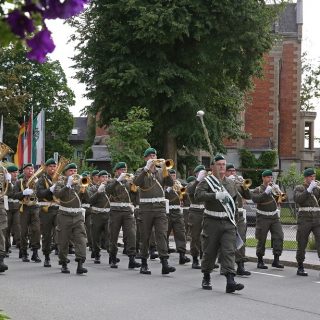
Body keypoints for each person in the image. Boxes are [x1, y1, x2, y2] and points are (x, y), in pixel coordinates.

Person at [195, 155, 244, 293]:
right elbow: (197, 196)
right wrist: (214, 195)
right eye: (219, 164)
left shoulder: (230, 183)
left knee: (229, 251)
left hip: (228, 222)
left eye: (223, 164)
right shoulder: (207, 182)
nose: (222, 166)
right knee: (209, 251)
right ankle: (206, 276)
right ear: (212, 167)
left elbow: (234, 204)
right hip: (212, 221)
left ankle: (230, 281)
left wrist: (235, 223)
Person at [133, 147, 176, 275]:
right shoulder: (141, 171)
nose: (153, 158)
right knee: (145, 236)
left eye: (154, 155)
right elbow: (136, 182)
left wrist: (165, 170)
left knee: (162, 234)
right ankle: (144, 264)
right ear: (145, 158)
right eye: (150, 156)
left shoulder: (160, 172)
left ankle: (165, 263)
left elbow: (170, 183)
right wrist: (146, 169)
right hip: (146, 209)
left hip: (160, 208)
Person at [52, 163, 89, 274]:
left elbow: (88, 199)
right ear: (66, 173)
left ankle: (80, 264)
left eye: (75, 170)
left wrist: (84, 188)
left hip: (77, 215)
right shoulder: (60, 183)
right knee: (63, 240)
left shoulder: (80, 183)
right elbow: (57, 194)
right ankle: (63, 262)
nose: (74, 173)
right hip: (64, 215)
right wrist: (67, 186)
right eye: (71, 171)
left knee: (81, 239)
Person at [105, 162, 140, 269]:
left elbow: (135, 195)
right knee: (113, 235)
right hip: (115, 211)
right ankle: (112, 257)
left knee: (131, 234)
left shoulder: (129, 182)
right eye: (121, 170)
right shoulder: (111, 181)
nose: (123, 172)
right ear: (116, 171)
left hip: (128, 211)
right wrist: (118, 180)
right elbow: (108, 190)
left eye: (125, 169)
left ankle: (132, 258)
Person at [251, 170, 284, 269]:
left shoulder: (274, 189)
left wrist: (279, 193)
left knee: (279, 236)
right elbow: (255, 199)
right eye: (268, 177)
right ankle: (260, 260)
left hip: (274, 217)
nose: (270, 179)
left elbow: (283, 200)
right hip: (263, 217)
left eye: (271, 177)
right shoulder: (258, 189)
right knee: (261, 238)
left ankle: (276, 260)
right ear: (263, 178)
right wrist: (266, 192)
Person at [293, 168, 320, 276]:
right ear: (305, 178)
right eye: (311, 177)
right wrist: (309, 189)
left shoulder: (317, 188)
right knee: (302, 242)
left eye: (314, 176)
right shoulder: (299, 188)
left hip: (317, 218)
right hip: (304, 219)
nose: (313, 178)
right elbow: (298, 199)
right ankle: (300, 266)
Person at [225, 163, 251, 276]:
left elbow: (248, 196)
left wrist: (244, 187)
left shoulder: (239, 183)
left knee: (241, 239)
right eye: (230, 171)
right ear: (225, 172)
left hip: (239, 215)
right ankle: (225, 266)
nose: (232, 173)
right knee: (226, 241)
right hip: (227, 214)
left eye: (234, 171)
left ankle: (240, 266)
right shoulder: (223, 183)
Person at [13, 163, 41, 263]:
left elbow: (41, 193)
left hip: (35, 207)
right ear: (24, 171)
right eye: (28, 169)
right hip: (24, 208)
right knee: (23, 231)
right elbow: (14, 195)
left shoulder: (38, 181)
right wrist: (23, 193)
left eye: (32, 168)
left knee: (36, 230)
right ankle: (24, 252)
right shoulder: (19, 182)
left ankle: (35, 252)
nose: (31, 170)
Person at [35, 158, 59, 267]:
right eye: (50, 166)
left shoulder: (60, 179)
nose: (53, 168)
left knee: (61, 230)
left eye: (54, 166)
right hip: (46, 210)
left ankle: (59, 250)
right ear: (46, 168)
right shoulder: (41, 180)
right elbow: (39, 194)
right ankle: (47, 256)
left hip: (58, 208)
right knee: (46, 234)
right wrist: (50, 190)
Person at [165, 169, 190, 265]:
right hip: (167, 212)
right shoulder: (164, 186)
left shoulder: (178, 185)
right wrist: (167, 190)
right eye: (171, 175)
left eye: (174, 175)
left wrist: (183, 191)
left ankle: (182, 255)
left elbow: (185, 198)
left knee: (180, 233)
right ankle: (164, 252)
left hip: (177, 212)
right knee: (165, 233)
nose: (173, 177)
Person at [88, 170, 111, 264]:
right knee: (96, 236)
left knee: (109, 235)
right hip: (97, 215)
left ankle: (111, 255)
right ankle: (97, 254)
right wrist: (98, 192)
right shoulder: (93, 188)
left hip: (108, 215)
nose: (105, 179)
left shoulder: (110, 188)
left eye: (106, 177)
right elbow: (90, 200)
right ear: (99, 178)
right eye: (103, 177)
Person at [187, 166, 206, 269]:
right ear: (196, 174)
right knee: (195, 236)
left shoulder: (207, 183)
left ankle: (205, 258)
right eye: (200, 172)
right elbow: (190, 191)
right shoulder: (192, 183)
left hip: (206, 211)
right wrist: (198, 180)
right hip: (195, 212)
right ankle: (195, 259)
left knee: (207, 236)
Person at [4, 165, 21, 256]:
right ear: (9, 174)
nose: (15, 174)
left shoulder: (19, 182)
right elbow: (8, 193)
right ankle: (6, 247)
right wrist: (8, 181)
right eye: (13, 172)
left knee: (18, 226)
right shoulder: (5, 182)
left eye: (16, 172)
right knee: (6, 227)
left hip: (17, 206)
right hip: (8, 206)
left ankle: (20, 245)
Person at [0, 169, 11, 272]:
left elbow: (9, 192)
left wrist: (9, 182)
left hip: (0, 206)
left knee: (1, 233)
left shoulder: (3, 173)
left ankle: (0, 260)